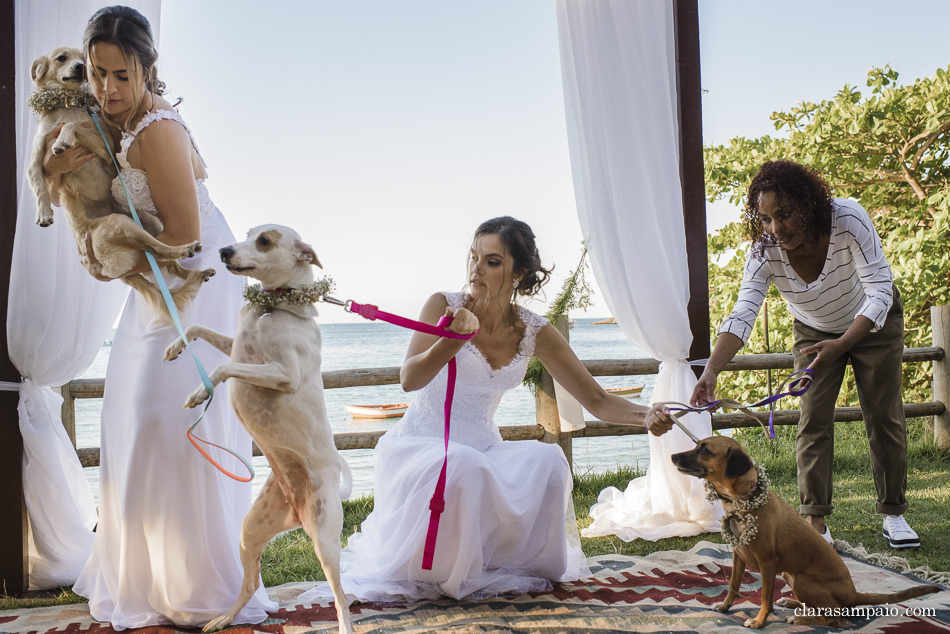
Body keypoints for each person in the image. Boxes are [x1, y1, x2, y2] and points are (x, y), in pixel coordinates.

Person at [42, 6, 276, 628]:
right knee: (130, 417)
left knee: (166, 423)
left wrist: (109, 254)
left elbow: (184, 232)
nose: (108, 88)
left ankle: (198, 583)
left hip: (192, 277)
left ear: (147, 68)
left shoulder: (156, 130)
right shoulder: (112, 120)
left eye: (122, 74)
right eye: (97, 73)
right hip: (154, 281)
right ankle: (147, 578)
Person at [327, 216, 675, 602]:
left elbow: (596, 399)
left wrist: (646, 415)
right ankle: (447, 570)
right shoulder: (443, 305)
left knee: (547, 461)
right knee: (463, 465)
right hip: (421, 447)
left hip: (483, 445)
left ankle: (522, 565)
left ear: (519, 274)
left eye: (491, 261)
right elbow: (409, 379)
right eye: (474, 257)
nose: (476, 268)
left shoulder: (533, 330)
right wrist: (452, 340)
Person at [690, 160, 918, 549]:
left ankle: (894, 513)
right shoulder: (764, 251)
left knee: (883, 415)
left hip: (873, 323)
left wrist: (844, 344)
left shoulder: (848, 219)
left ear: (809, 205)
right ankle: (816, 522)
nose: (776, 229)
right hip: (814, 330)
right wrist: (711, 371)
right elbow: (743, 312)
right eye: (765, 219)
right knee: (812, 419)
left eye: (784, 214)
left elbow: (881, 288)